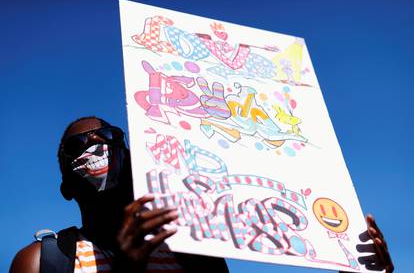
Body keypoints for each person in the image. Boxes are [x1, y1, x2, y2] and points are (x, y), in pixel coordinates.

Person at [10, 116, 393, 273]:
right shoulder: (42, 261)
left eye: (110, 137)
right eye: (79, 146)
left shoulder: (191, 249)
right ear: (65, 187)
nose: (97, 144)